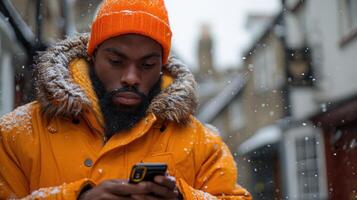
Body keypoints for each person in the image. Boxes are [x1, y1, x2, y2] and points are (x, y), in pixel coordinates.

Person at [0, 0, 251, 199]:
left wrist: (181, 197)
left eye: (148, 64)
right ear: (93, 56)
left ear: (162, 67)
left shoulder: (201, 144)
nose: (131, 77)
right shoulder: (17, 134)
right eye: (116, 61)